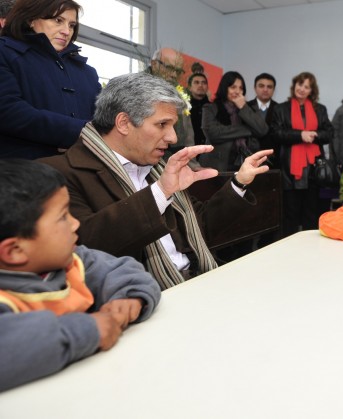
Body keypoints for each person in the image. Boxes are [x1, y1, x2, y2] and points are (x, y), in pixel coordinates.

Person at [40, 72, 272, 290]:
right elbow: (84, 249)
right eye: (162, 125)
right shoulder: (57, 173)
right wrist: (160, 193)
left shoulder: (156, 166)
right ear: (123, 123)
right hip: (140, 297)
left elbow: (203, 229)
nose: (173, 138)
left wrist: (238, 183)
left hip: (197, 281)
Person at [0, 159, 160, 392]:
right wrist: (88, 330)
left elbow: (124, 270)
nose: (75, 224)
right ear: (15, 251)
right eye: (63, 217)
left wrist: (130, 297)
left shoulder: (74, 260)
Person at [0, 0, 100, 159]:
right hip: (21, 171)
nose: (66, 31)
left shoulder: (88, 72)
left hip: (81, 170)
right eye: (58, 21)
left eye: (72, 25)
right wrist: (78, 133)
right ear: (31, 20)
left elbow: (102, 120)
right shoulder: (5, 52)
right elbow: (8, 111)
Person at [270, 71, 334, 237]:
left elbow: (329, 133)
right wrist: (300, 135)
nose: (302, 89)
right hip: (289, 169)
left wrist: (315, 135)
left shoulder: (320, 109)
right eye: (300, 84)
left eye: (307, 87)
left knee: (311, 214)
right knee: (290, 215)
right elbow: (275, 134)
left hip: (314, 170)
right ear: (294, 85)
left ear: (312, 90)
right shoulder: (280, 108)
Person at [200, 71, 267, 172]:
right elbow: (213, 133)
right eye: (233, 87)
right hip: (217, 166)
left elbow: (263, 130)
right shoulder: (210, 108)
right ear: (224, 88)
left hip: (243, 164)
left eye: (241, 88)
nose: (237, 91)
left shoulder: (247, 109)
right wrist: (248, 129)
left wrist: (243, 107)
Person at [247, 73, 279, 165]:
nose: (265, 89)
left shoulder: (280, 109)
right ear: (254, 88)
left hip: (273, 160)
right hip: (249, 158)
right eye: (261, 86)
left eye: (269, 87)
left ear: (273, 90)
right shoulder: (246, 107)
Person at [188, 71, 210, 146]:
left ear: (207, 87)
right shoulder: (184, 108)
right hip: (189, 150)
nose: (200, 85)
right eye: (196, 82)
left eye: (204, 83)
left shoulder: (214, 108)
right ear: (190, 87)